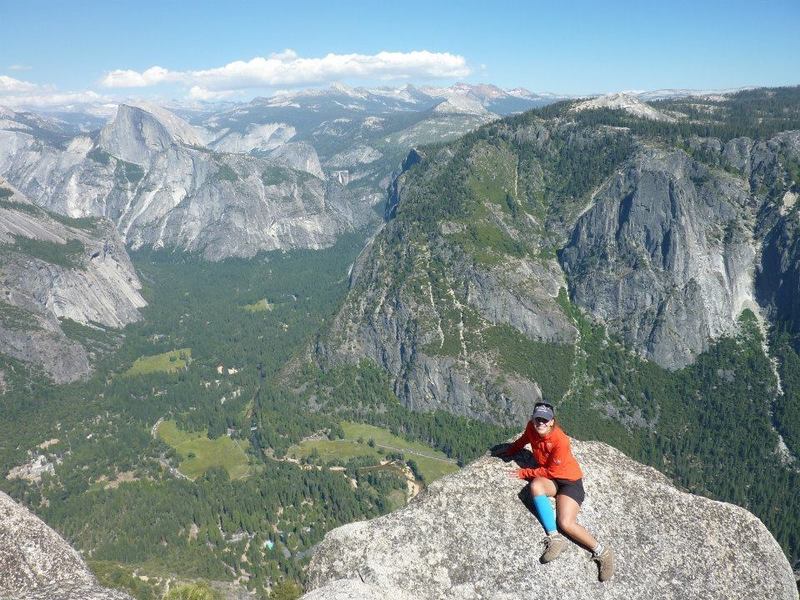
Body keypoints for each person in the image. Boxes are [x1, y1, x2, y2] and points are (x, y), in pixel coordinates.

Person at [497, 402, 614, 581]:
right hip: (552, 481)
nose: (540, 423)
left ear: (552, 421)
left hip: (569, 482)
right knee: (536, 486)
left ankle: (603, 552)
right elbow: (523, 440)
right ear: (533, 419)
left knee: (566, 523)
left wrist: (524, 473)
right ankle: (555, 539)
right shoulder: (532, 428)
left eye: (545, 419)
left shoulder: (560, 440)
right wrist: (510, 450)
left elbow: (551, 471)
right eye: (538, 419)